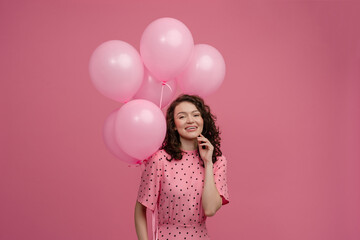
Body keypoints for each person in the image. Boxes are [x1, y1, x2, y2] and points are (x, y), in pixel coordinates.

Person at [134, 94, 229, 240]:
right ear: (173, 125)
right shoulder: (160, 159)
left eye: (196, 115)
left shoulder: (217, 161)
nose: (190, 120)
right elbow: (140, 209)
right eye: (182, 116)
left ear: (203, 120)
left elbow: (210, 209)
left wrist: (208, 163)